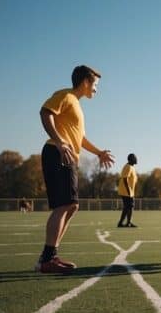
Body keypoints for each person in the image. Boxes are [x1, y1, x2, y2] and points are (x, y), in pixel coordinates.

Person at [35, 65, 115, 273]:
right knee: (64, 205)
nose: (96, 89)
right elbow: (45, 112)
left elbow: (80, 138)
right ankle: (47, 259)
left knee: (71, 206)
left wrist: (98, 153)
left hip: (68, 156)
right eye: (95, 85)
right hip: (57, 152)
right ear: (86, 82)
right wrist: (60, 141)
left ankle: (51, 254)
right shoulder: (66, 95)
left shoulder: (76, 104)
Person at [117, 153, 138, 227]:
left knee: (129, 207)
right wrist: (128, 190)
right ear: (131, 159)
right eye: (135, 158)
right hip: (126, 191)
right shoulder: (128, 167)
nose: (136, 159)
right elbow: (125, 179)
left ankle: (126, 222)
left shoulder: (131, 167)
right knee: (129, 206)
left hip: (129, 191)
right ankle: (124, 222)